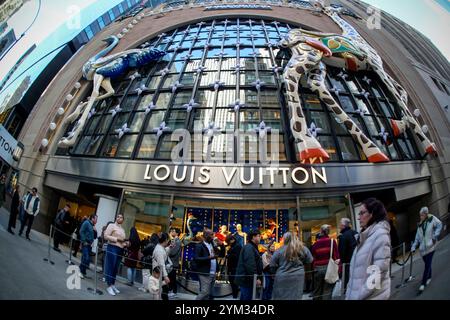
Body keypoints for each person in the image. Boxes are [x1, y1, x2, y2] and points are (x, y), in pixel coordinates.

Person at [346, 198, 391, 300]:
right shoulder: (363, 236)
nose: (358, 217)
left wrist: (360, 294)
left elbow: (379, 271)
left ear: (372, 214)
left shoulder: (380, 235)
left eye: (362, 213)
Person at [270, 232, 313, 300]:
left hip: (282, 277)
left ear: (285, 239)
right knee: (296, 296)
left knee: (281, 297)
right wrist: (308, 275)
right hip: (298, 277)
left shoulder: (279, 250)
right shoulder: (303, 248)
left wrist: (274, 274)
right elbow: (309, 261)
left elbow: (272, 264)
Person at [411, 207, 443, 293]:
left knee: (427, 266)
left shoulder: (432, 219)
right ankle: (429, 277)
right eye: (420, 215)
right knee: (427, 264)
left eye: (421, 215)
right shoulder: (420, 225)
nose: (420, 217)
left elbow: (439, 224)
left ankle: (423, 284)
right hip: (422, 250)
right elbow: (417, 238)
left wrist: (435, 236)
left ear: (425, 214)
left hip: (431, 247)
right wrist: (413, 247)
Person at [311, 225, 340, 300]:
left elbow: (313, 258)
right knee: (328, 290)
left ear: (321, 232)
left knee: (317, 290)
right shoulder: (332, 242)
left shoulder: (315, 244)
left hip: (318, 268)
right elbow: (336, 256)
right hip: (329, 268)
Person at [103, 214, 128, 296]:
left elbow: (122, 240)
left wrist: (125, 243)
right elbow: (105, 236)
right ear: (116, 218)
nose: (119, 218)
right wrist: (116, 239)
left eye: (121, 217)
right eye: (118, 217)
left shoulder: (123, 229)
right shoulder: (111, 225)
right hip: (112, 247)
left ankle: (113, 284)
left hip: (120, 249)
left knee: (115, 268)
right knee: (110, 266)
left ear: (123, 220)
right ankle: (109, 285)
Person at [235, 229, 263, 301]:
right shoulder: (249, 247)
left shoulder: (252, 247)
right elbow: (250, 265)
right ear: (253, 237)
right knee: (247, 298)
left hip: (248, 279)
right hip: (246, 280)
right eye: (258, 236)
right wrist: (255, 278)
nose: (260, 237)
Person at [193, 228, 218, 300]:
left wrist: (221, 245)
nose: (213, 236)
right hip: (204, 273)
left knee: (209, 293)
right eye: (211, 234)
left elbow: (220, 254)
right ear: (206, 236)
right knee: (205, 292)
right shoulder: (199, 245)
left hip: (213, 272)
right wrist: (209, 257)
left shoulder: (212, 244)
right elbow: (196, 258)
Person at [337, 217, 357, 291]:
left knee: (349, 283)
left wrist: (342, 261)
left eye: (340, 224)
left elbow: (342, 251)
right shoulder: (355, 233)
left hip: (348, 264)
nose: (339, 226)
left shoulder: (343, 236)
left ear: (343, 225)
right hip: (357, 261)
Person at [152, 232, 171, 300]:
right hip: (158, 273)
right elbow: (161, 264)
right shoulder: (159, 250)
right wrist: (165, 276)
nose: (168, 241)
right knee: (157, 292)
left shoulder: (160, 247)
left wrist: (169, 247)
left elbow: (164, 252)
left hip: (158, 272)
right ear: (165, 240)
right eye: (168, 239)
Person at [79, 214, 98, 278]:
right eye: (96, 219)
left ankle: (83, 272)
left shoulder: (93, 226)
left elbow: (95, 237)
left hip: (90, 245)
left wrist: (95, 231)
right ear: (92, 218)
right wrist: (84, 241)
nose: (96, 220)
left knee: (86, 258)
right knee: (86, 258)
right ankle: (80, 271)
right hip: (85, 243)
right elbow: (81, 231)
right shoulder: (86, 223)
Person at [225, 234, 242, 299]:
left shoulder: (237, 246)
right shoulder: (235, 245)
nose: (228, 243)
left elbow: (236, 257)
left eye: (228, 241)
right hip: (233, 267)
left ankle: (235, 296)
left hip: (234, 267)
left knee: (233, 283)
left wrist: (228, 256)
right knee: (233, 282)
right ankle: (235, 295)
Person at [167, 227, 182, 298]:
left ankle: (174, 292)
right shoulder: (174, 240)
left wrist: (167, 251)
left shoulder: (177, 241)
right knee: (171, 277)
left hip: (173, 262)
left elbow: (173, 252)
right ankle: (171, 291)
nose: (171, 232)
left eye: (173, 231)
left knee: (172, 278)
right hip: (171, 262)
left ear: (177, 233)